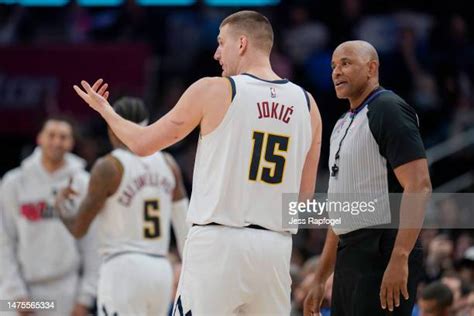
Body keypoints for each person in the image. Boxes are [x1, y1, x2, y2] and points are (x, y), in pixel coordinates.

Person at [73, 10, 322, 316]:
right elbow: (304, 199)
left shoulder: (215, 89)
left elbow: (142, 144)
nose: (217, 53)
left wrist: (106, 112)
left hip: (218, 243)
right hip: (275, 248)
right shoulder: (308, 105)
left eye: (221, 43)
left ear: (241, 43)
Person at [304, 40, 432, 316]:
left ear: (372, 68)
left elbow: (419, 186)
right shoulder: (340, 124)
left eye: (346, 63)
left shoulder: (388, 109)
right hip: (350, 254)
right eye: (333, 66)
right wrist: (319, 277)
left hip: (384, 249)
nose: (336, 72)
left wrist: (400, 257)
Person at [55, 97, 190, 316]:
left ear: (113, 125)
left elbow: (79, 228)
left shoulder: (109, 166)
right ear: (147, 124)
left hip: (122, 268)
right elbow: (185, 229)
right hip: (161, 270)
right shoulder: (168, 164)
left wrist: (61, 206)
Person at [0, 116, 99, 316]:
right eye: (51, 135)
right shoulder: (13, 182)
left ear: (71, 142)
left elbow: (93, 243)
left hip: (65, 291)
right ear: (39, 139)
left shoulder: (83, 183)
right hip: (17, 290)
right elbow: (4, 241)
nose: (56, 141)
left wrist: (85, 297)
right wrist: (16, 293)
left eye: (63, 137)